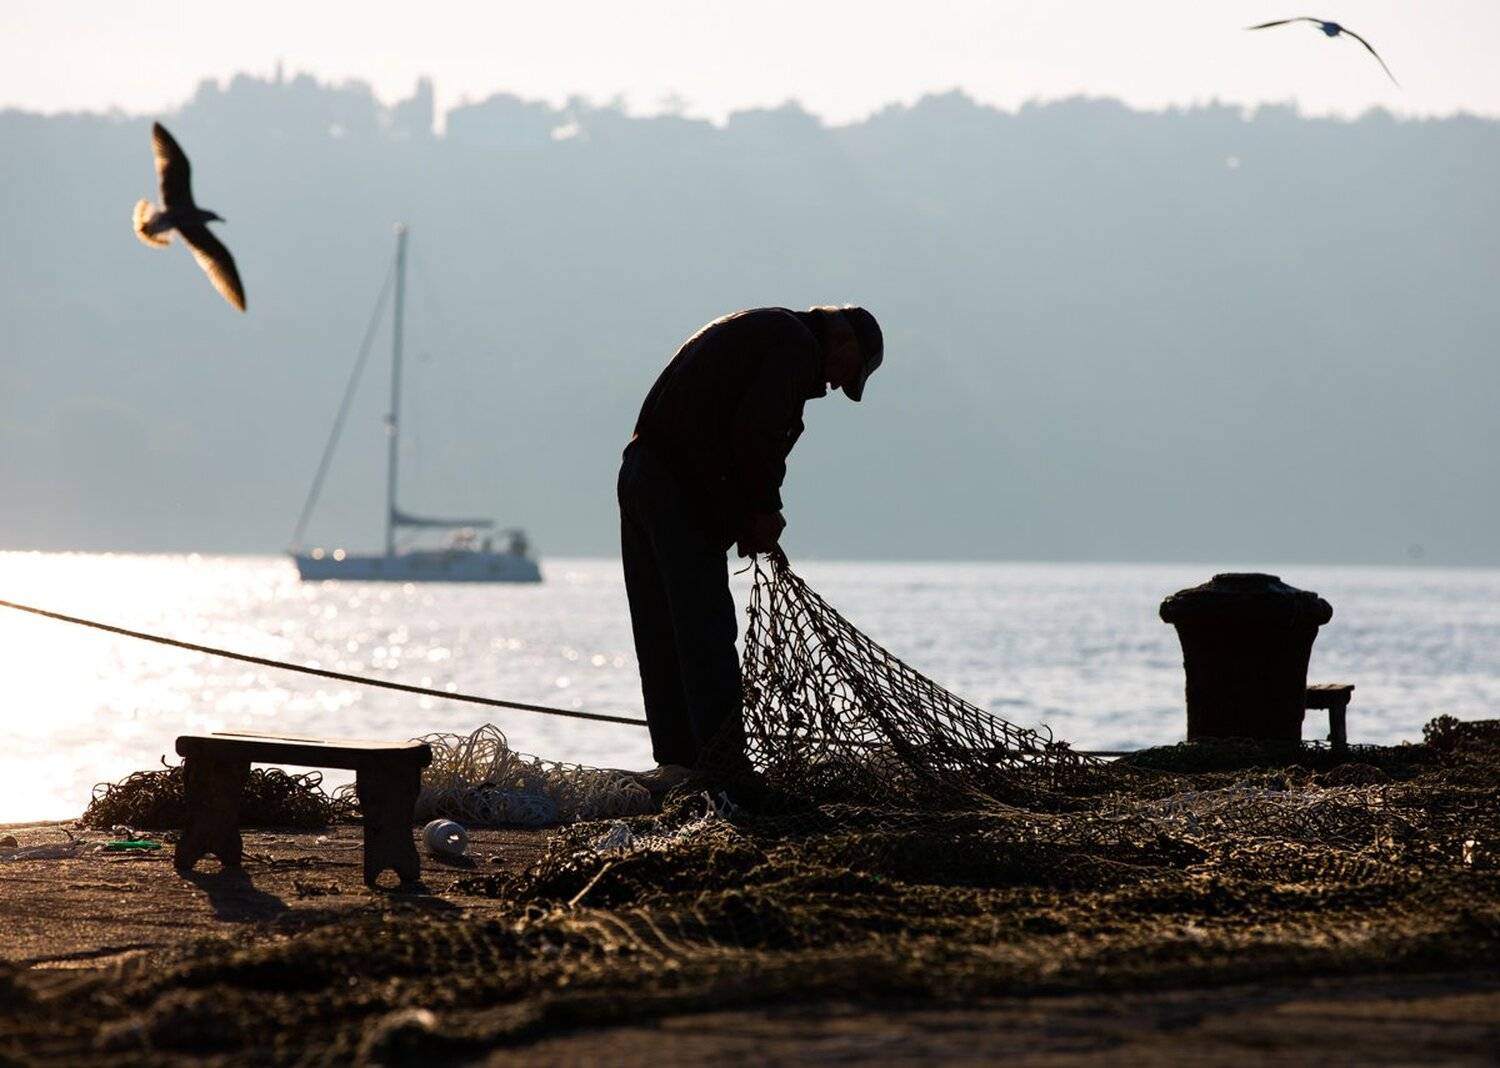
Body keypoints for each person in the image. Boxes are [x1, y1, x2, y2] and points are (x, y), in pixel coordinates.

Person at [618, 305, 884, 795]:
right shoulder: (795, 346)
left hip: (642, 476)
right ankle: (724, 770)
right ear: (844, 343)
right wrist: (761, 509)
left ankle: (681, 763)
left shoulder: (766, 330)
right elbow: (756, 432)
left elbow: (723, 427)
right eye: (847, 375)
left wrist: (741, 512)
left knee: (661, 629)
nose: (832, 388)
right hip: (675, 486)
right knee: (705, 627)